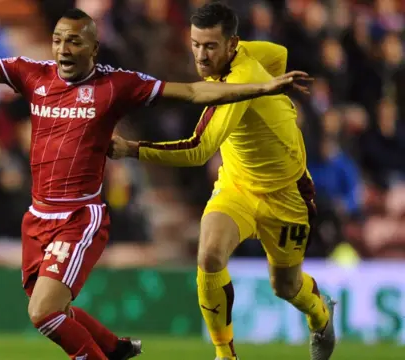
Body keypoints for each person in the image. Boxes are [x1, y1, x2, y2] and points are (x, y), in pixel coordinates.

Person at [0, 8, 310, 360]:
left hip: (80, 216)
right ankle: (115, 347)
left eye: (74, 41)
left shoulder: (116, 85)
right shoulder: (34, 75)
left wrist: (262, 88)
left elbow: (195, 93)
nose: (63, 48)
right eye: (58, 39)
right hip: (37, 215)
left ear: (93, 48)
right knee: (50, 308)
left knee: (42, 312)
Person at [108, 3, 335, 360]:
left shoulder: (237, 81)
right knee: (210, 254)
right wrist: (273, 88)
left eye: (210, 46)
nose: (200, 54)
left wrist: (132, 149)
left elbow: (198, 150)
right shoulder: (247, 54)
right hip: (237, 185)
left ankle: (321, 315)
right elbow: (279, 54)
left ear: (231, 45)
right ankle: (224, 355)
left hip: (286, 194)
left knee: (286, 286)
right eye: (196, 44)